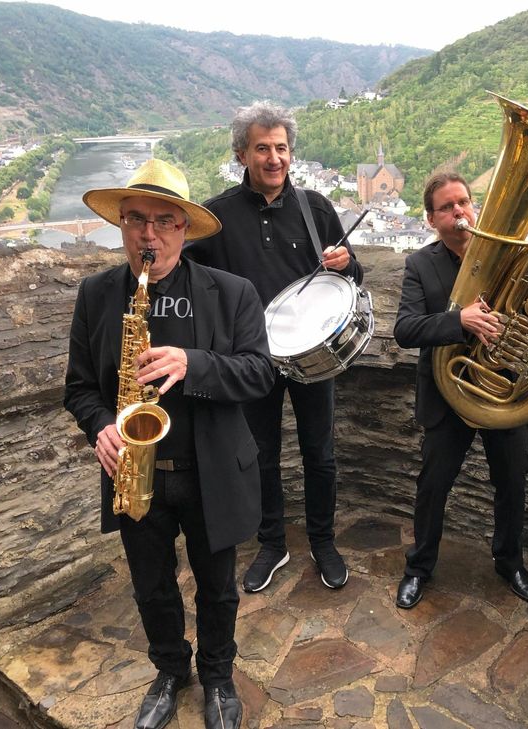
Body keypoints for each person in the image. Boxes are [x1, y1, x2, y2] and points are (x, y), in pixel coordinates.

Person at [64, 159, 274, 729]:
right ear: (121, 226)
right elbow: (79, 388)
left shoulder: (232, 293)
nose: (147, 235)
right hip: (136, 471)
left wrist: (193, 363)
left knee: (218, 588)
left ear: (184, 228)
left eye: (163, 221)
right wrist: (101, 426)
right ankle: (169, 670)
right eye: (135, 219)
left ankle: (218, 676)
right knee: (151, 587)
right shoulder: (97, 294)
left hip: (212, 472)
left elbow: (260, 373)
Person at [185, 101, 363, 593]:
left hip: (311, 355)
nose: (274, 158)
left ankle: (323, 541)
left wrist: (346, 264)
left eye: (281, 148)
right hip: (252, 359)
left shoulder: (315, 207)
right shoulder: (216, 216)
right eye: (262, 148)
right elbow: (189, 278)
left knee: (319, 454)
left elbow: (354, 275)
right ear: (242, 154)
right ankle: (272, 544)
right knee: (260, 454)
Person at [392, 171, 528, 610]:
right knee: (433, 486)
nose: (459, 211)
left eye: (464, 202)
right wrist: (457, 320)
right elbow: (405, 329)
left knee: (512, 482)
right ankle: (418, 568)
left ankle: (510, 562)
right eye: (447, 207)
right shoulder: (420, 264)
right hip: (448, 395)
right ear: (431, 219)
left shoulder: (510, 256)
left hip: (504, 391)